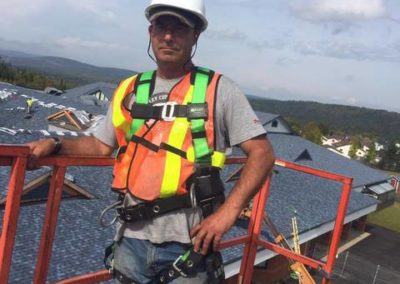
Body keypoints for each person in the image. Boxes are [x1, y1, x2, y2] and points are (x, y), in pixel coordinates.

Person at [27, 0, 275, 283]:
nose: (168, 36)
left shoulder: (219, 90)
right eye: (161, 27)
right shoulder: (131, 89)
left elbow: (262, 153)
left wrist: (228, 213)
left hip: (190, 243)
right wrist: (56, 145)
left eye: (179, 28)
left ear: (196, 35)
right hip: (131, 237)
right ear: (150, 32)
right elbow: (100, 145)